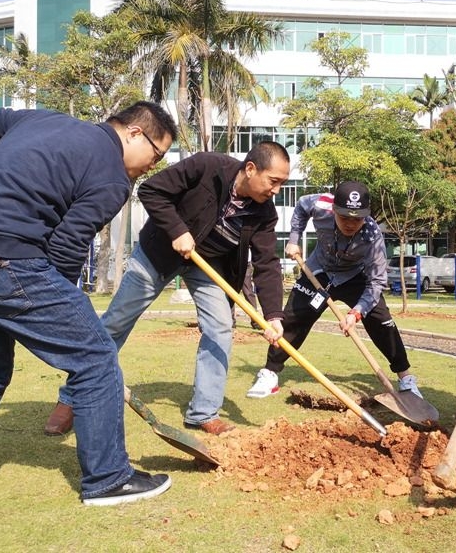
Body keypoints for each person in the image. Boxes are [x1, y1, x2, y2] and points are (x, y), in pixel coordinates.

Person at [0, 101, 177, 505]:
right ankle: (109, 479)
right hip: (7, 257)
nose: (154, 164)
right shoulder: (113, 175)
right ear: (134, 133)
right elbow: (66, 247)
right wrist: (57, 313)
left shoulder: (40, 119)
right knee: (95, 356)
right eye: (156, 153)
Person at [43, 142, 289, 437]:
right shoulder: (207, 167)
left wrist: (274, 315)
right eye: (274, 181)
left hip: (205, 266)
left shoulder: (265, 213)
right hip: (157, 255)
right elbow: (151, 190)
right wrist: (178, 230)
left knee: (221, 327)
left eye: (282, 184)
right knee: (115, 323)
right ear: (251, 169)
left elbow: (267, 263)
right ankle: (71, 398)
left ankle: (203, 413)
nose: (276, 190)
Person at [247, 181, 423, 399]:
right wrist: (293, 239)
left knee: (382, 321)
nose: (350, 224)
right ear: (334, 210)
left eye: (357, 218)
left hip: (355, 277)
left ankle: (405, 379)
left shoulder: (372, 236)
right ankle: (270, 373)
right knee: (293, 319)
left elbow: (377, 281)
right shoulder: (321, 205)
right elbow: (301, 206)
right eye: (344, 217)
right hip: (319, 271)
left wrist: (356, 312)